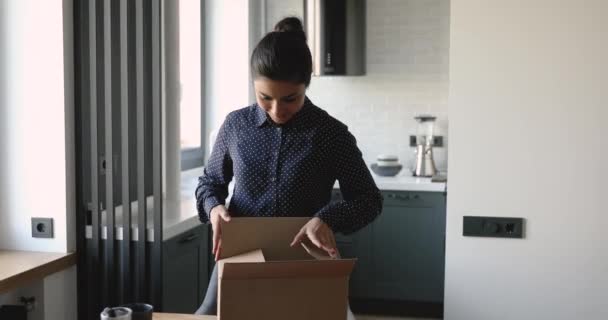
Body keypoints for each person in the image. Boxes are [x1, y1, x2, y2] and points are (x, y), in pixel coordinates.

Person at [194, 16, 382, 315]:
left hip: (308, 256)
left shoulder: (331, 134)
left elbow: (369, 200)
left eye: (289, 99)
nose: (276, 110)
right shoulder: (235, 125)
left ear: (306, 85)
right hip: (240, 252)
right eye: (264, 98)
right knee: (208, 315)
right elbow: (209, 184)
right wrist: (214, 208)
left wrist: (327, 219)